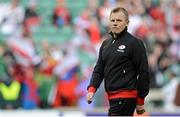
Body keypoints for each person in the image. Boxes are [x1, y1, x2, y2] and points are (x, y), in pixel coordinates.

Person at [86, 7, 150, 116]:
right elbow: (99, 69)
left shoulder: (135, 43)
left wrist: (140, 101)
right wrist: (92, 89)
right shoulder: (106, 44)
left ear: (127, 23)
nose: (115, 23)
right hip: (112, 98)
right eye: (112, 20)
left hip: (126, 98)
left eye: (119, 20)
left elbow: (144, 73)